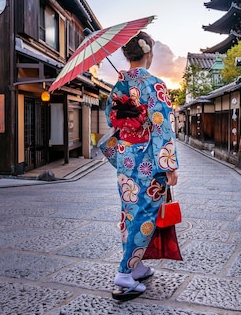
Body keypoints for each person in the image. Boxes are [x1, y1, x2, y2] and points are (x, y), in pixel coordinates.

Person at [101, 31, 179, 301]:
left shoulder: (119, 83)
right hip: (147, 159)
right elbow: (162, 124)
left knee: (129, 211)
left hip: (126, 157)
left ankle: (138, 266)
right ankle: (124, 274)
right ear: (148, 53)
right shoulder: (155, 85)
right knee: (146, 214)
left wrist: (130, 113)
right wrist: (169, 165)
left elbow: (112, 118)